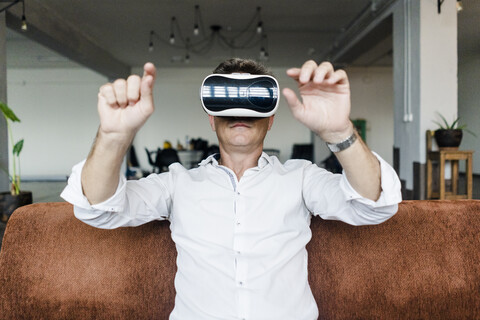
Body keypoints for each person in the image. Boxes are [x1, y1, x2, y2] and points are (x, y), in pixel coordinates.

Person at [61, 58, 402, 320]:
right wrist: (113, 136)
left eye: (253, 99)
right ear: (211, 117)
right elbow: (97, 208)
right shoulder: (177, 182)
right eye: (227, 99)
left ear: (270, 118)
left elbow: (373, 205)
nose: (240, 110)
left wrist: (338, 130)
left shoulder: (301, 178)